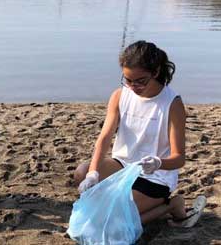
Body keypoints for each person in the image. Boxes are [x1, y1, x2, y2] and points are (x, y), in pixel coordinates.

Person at [74, 41, 206, 228]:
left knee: (115, 220)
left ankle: (171, 205)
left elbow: (179, 158)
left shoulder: (172, 104)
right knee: (82, 172)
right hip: (122, 165)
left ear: (156, 72)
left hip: (155, 175)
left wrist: (159, 162)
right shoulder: (120, 95)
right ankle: (131, 204)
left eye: (140, 81)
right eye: (128, 80)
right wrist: (93, 174)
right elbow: (104, 138)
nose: (133, 86)